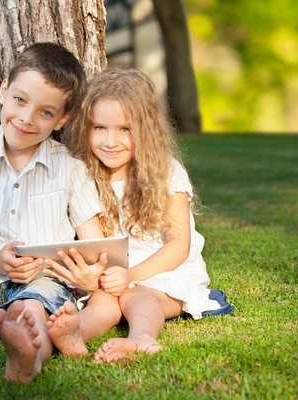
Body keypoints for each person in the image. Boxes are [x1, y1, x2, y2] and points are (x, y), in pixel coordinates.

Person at [0, 42, 109, 386]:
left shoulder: (70, 167)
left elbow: (97, 248)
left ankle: (26, 359)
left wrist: (90, 275)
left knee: (31, 316)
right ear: (3, 91)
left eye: (45, 112)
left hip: (41, 280)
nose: (26, 118)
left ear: (63, 119)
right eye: (20, 100)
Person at [43, 67, 233, 363]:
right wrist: (101, 277)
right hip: (112, 274)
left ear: (146, 129)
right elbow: (93, 244)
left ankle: (142, 339)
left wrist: (132, 276)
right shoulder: (84, 176)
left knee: (137, 296)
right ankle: (71, 333)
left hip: (164, 272)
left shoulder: (167, 172)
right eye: (100, 128)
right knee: (103, 303)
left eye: (125, 129)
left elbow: (177, 246)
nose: (110, 141)